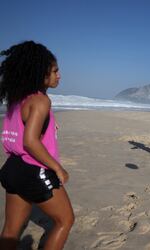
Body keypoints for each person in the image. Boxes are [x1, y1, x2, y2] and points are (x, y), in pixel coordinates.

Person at [0, 41, 74, 249]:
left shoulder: (17, 98)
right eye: (55, 71)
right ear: (40, 74)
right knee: (65, 220)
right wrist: (58, 168)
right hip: (34, 170)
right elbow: (31, 142)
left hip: (12, 168)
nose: (59, 75)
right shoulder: (41, 102)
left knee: (11, 231)